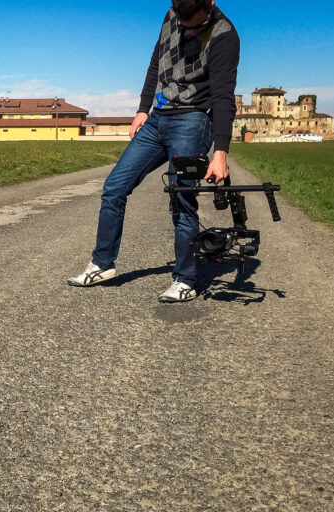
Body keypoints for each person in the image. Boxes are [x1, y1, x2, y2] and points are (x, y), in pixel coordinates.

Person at [68, 0, 240, 302]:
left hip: (193, 119)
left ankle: (185, 280)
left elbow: (225, 97)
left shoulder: (224, 35)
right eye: (182, 22)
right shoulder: (174, 12)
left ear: (210, 3)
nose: (186, 29)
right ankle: (102, 263)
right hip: (157, 118)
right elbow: (155, 62)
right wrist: (142, 110)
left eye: (194, 25)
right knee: (114, 187)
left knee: (181, 198)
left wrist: (221, 153)